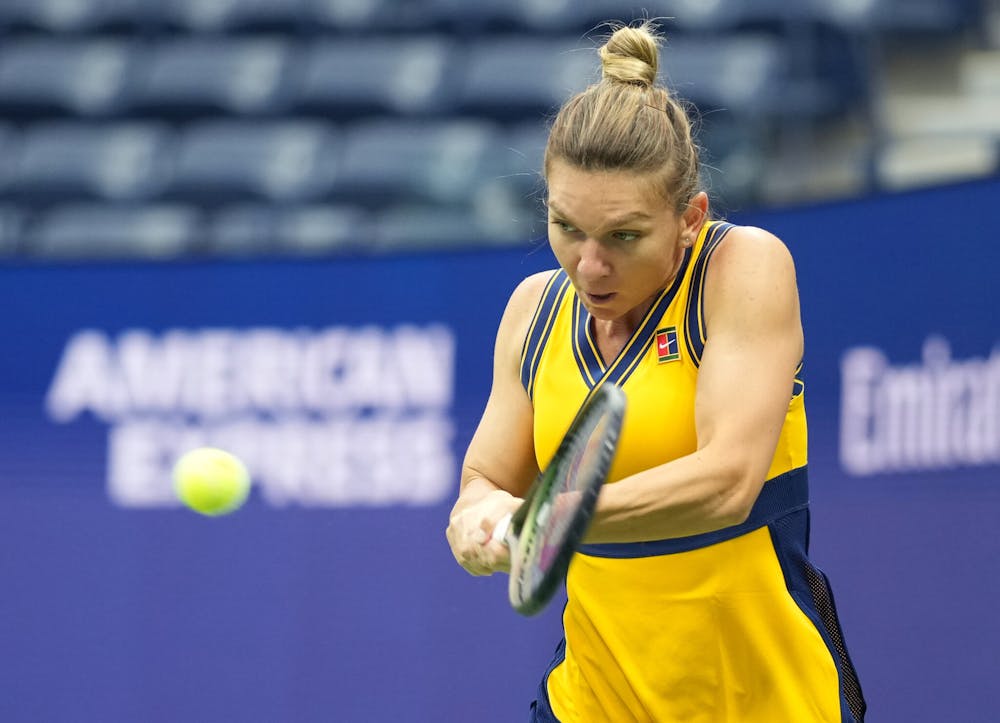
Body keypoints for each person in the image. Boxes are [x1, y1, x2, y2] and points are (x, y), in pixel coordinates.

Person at [445, 20, 866, 723]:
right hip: (590, 701)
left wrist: (551, 521)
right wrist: (476, 522)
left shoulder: (743, 269)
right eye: (566, 227)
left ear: (691, 218)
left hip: (763, 701)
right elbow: (485, 482)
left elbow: (727, 479)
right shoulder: (532, 311)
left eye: (624, 236)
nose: (589, 264)